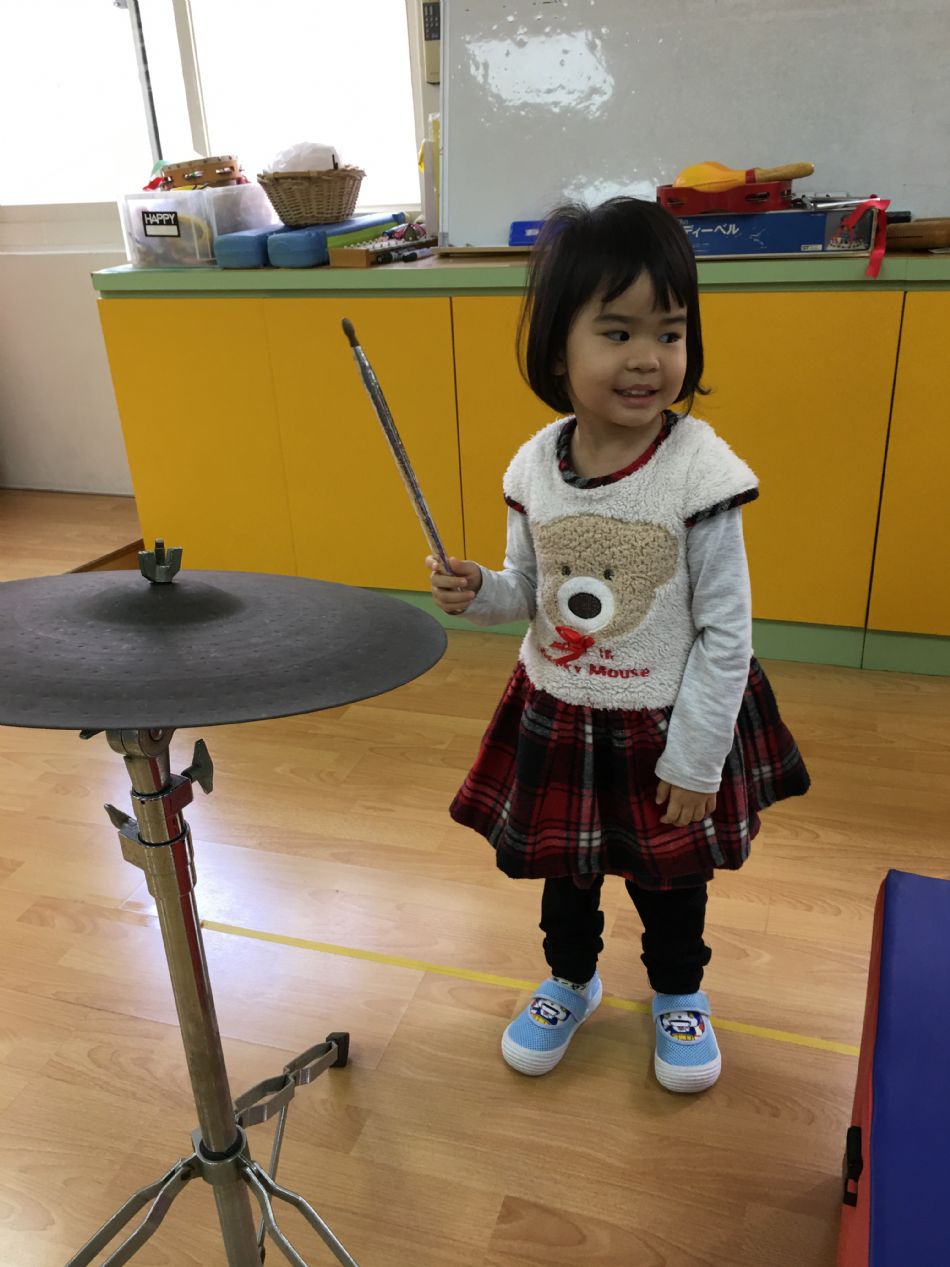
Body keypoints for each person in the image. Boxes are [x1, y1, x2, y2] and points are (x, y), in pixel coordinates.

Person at [426, 197, 809, 1093]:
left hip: (667, 722)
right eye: (617, 331)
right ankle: (571, 978)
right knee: (568, 872)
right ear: (558, 349)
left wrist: (698, 758)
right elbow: (531, 591)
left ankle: (679, 991)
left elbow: (727, 631)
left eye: (669, 332)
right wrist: (481, 592)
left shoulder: (700, 473)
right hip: (562, 711)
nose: (648, 357)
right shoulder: (534, 465)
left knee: (672, 879)